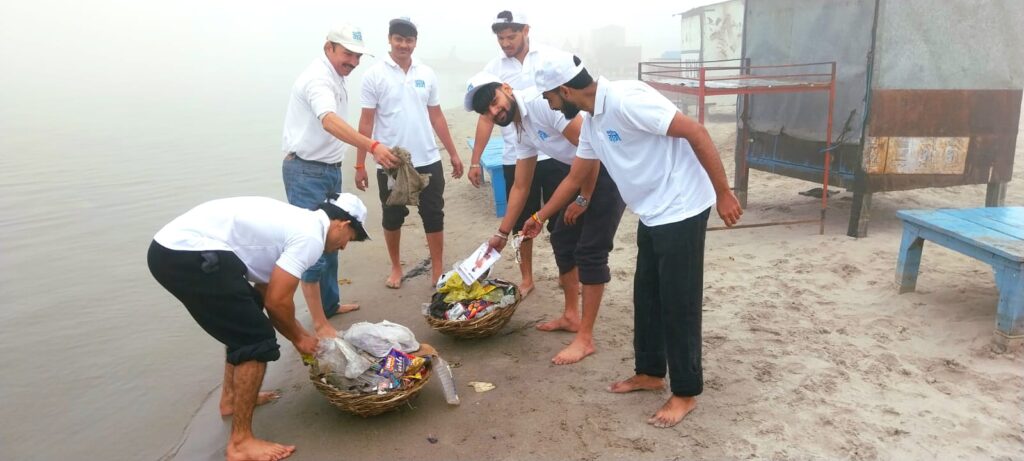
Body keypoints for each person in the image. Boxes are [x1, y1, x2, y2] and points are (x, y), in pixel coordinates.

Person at [523, 51, 743, 428]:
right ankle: (650, 373)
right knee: (647, 295)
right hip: (652, 210)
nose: (548, 104)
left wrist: (724, 192)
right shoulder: (592, 121)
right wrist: (539, 217)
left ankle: (685, 392)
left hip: (683, 205)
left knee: (679, 301)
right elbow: (575, 177)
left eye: (549, 97)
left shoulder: (627, 100)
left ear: (564, 90)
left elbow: (696, 131)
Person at [147, 193, 371, 461]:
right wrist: (300, 338)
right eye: (349, 240)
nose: (343, 248)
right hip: (186, 252)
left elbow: (266, 293)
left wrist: (298, 335)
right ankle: (240, 443)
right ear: (343, 224)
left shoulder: (299, 223)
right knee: (255, 340)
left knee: (246, 319)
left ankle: (231, 399)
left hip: (171, 250)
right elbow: (277, 303)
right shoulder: (311, 237)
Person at [464, 72, 626, 365]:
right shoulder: (520, 128)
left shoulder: (540, 104)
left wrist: (583, 198)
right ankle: (571, 315)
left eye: (495, 101)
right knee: (562, 237)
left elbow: (591, 146)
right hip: (579, 176)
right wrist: (502, 234)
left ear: (506, 88)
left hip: (607, 172)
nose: (494, 111)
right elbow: (521, 186)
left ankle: (585, 339)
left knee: (590, 251)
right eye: (486, 110)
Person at [281, 24, 399, 338]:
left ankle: (330, 305)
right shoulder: (318, 79)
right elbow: (330, 121)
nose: (354, 62)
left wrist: (354, 163)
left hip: (328, 169)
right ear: (329, 47)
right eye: (348, 54)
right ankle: (319, 323)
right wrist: (372, 146)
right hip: (306, 172)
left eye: (358, 56)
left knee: (333, 239)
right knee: (311, 246)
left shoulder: (335, 76)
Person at [355, 17, 464, 288]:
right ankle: (396, 267)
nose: (404, 45)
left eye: (409, 40)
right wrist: (360, 164)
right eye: (399, 39)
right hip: (390, 161)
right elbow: (366, 122)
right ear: (389, 39)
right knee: (392, 216)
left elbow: (436, 116)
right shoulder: (374, 75)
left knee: (433, 213)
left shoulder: (426, 73)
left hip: (427, 157)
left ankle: (437, 269)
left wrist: (453, 153)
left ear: (415, 42)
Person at [466, 10, 559, 297]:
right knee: (521, 223)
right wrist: (475, 161)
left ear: (526, 30)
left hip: (554, 153)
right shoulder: (493, 69)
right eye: (501, 38)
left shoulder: (547, 58)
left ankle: (568, 271)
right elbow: (485, 118)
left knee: (561, 221)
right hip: (515, 154)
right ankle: (527, 278)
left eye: (511, 36)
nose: (506, 43)